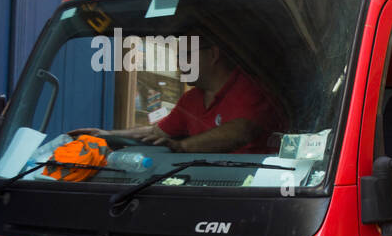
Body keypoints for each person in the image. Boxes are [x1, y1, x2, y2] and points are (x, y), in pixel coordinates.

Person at [75, 28, 281, 154]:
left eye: (185, 54)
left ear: (213, 54)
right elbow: (156, 132)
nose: (178, 62)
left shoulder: (251, 87)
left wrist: (183, 147)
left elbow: (240, 131)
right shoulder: (191, 99)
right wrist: (107, 134)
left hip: (250, 187)